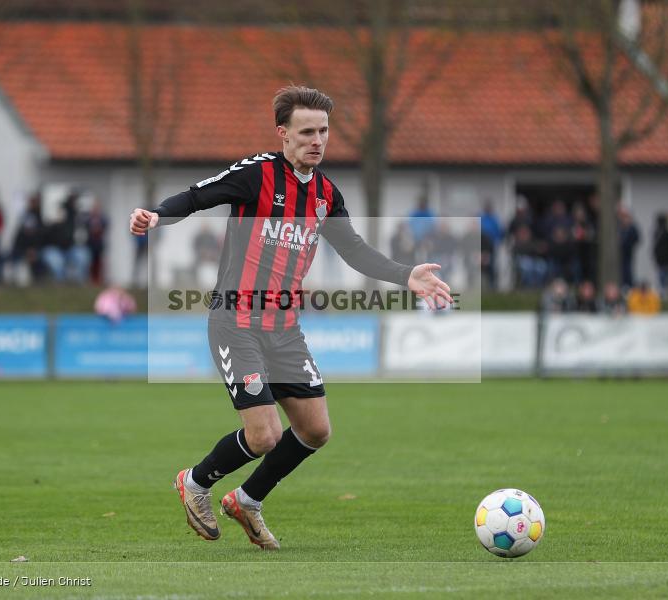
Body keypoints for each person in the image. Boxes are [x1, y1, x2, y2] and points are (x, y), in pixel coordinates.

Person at [128, 86, 451, 550]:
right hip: (235, 320)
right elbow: (198, 196)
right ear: (283, 133)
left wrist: (407, 275)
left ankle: (247, 500)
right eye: (306, 132)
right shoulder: (257, 175)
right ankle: (197, 482)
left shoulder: (325, 194)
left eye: (323, 131)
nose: (317, 140)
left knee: (316, 429)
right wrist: (156, 216)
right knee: (265, 435)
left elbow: (354, 251)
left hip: (283, 328)